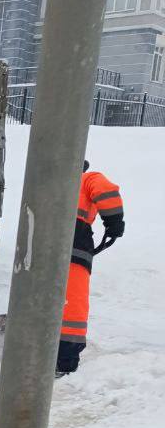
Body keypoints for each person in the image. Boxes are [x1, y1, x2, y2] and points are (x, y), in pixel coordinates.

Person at [56, 160, 125, 377]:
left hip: (41, 239)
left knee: (40, 292)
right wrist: (114, 222)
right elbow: (106, 191)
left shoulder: (48, 183)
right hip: (74, 241)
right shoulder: (87, 178)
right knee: (72, 301)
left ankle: (30, 345)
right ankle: (64, 359)